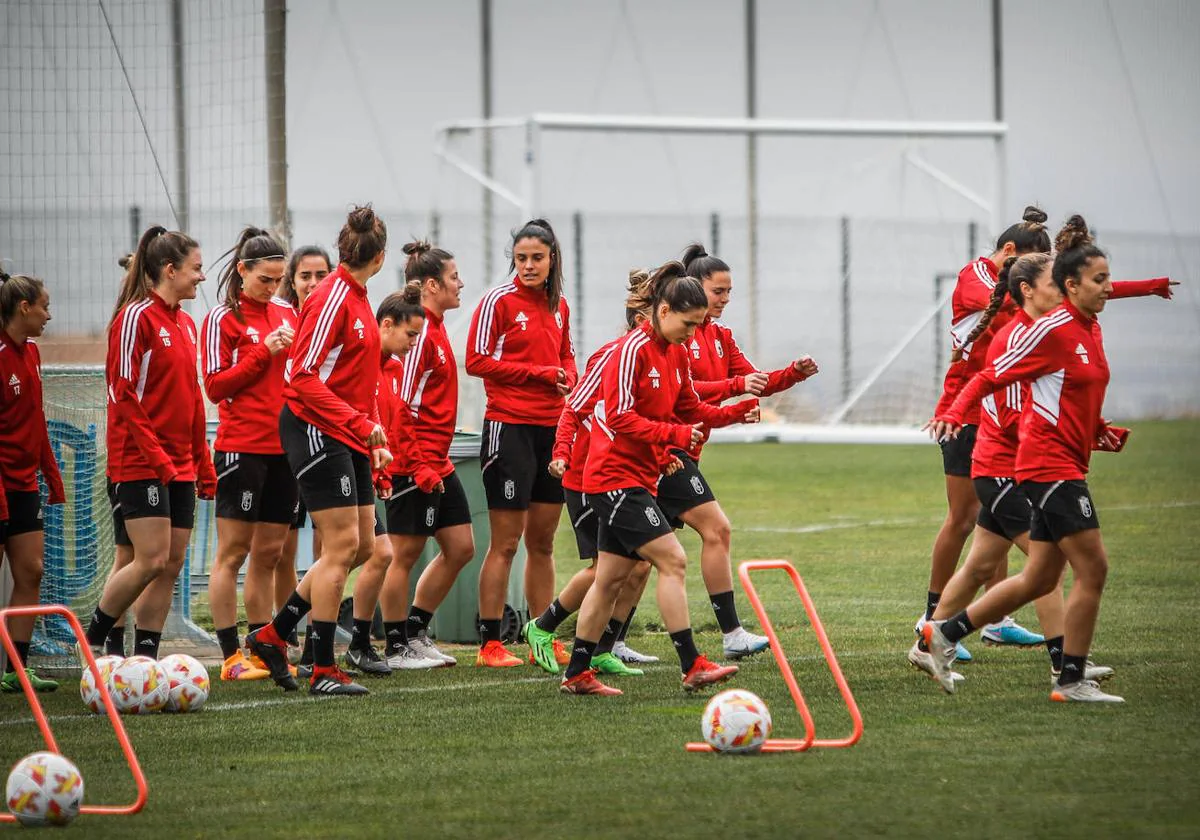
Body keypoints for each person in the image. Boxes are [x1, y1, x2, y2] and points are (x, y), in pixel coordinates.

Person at [913, 253, 1175, 687]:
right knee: (1073, 569)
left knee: (999, 570)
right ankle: (1067, 669)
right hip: (1017, 465)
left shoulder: (1076, 328)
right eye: (1056, 284)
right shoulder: (1023, 335)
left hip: (1035, 464)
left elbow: (1065, 393)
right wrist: (953, 411)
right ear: (1031, 290)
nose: (1103, 288)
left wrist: (1094, 429)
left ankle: (936, 637)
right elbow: (997, 390)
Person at [560, 262, 761, 696]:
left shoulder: (676, 353)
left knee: (610, 577)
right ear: (664, 310)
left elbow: (691, 409)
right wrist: (674, 435)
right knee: (672, 559)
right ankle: (692, 664)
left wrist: (733, 413)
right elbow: (618, 417)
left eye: (699, 325)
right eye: (689, 324)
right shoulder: (632, 349)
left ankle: (577, 674)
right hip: (612, 477)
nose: (693, 334)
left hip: (639, 477)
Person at [247, 205, 391, 697]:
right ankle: (323, 665)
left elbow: (353, 378)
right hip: (313, 426)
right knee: (342, 548)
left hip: (346, 433)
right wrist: (357, 422)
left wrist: (373, 434)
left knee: (366, 546)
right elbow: (302, 376)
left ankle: (273, 632)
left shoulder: (358, 297)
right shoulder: (332, 296)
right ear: (382, 255)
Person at [659, 244, 818, 659]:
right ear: (693, 289)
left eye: (729, 291)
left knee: (633, 562)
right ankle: (731, 634)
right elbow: (687, 392)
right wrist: (733, 391)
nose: (726, 299)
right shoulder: (676, 336)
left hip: (683, 452)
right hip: (663, 451)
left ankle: (602, 641)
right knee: (717, 530)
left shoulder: (721, 337)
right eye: (719, 291)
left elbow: (753, 380)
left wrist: (792, 375)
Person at [922, 206, 1054, 662]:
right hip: (964, 416)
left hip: (997, 416)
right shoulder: (974, 277)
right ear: (1012, 253)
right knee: (963, 518)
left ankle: (995, 621)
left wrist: (1144, 288)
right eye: (1036, 269)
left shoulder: (1013, 286)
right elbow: (1022, 304)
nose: (1041, 279)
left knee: (990, 521)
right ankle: (930, 620)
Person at [83, 227, 216, 660]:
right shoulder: (136, 317)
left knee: (171, 565)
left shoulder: (188, 324)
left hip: (181, 464)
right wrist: (158, 457)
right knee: (151, 559)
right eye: (196, 268)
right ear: (169, 269)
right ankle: (95, 640)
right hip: (140, 461)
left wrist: (203, 461)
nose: (201, 277)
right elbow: (122, 394)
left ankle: (144, 659)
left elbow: (193, 398)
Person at [524, 270, 661, 677]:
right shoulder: (612, 354)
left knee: (639, 565)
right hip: (588, 477)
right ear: (644, 320)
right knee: (607, 568)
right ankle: (543, 627)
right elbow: (576, 408)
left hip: (628, 475)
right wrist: (562, 453)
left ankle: (603, 646)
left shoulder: (659, 356)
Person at [466, 219, 577, 667]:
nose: (529, 266)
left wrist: (571, 372)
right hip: (508, 429)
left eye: (537, 258)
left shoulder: (560, 305)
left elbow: (565, 351)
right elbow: (476, 360)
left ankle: (540, 636)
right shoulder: (498, 301)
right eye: (521, 258)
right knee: (505, 543)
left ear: (552, 260)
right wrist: (538, 375)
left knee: (544, 543)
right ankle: (490, 643)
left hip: (552, 433)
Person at [200, 227, 299, 682]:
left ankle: (261, 646)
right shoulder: (222, 318)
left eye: (279, 280)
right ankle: (228, 656)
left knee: (271, 554)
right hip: (243, 448)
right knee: (233, 553)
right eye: (265, 279)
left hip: (286, 450)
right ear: (242, 272)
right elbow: (216, 385)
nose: (273, 288)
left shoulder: (286, 312)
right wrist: (263, 351)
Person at [375, 242, 474, 670]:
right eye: (454, 277)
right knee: (405, 555)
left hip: (437, 461)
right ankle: (395, 647)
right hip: (413, 464)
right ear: (432, 284)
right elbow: (401, 409)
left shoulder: (434, 330)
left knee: (461, 547)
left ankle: (415, 631)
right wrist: (417, 465)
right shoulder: (418, 337)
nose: (461, 284)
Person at [340, 282, 430, 674]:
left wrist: (380, 470)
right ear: (387, 324)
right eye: (410, 334)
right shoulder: (359, 363)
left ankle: (355, 642)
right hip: (335, 464)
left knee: (374, 553)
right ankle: (305, 638)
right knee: (347, 555)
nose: (413, 343)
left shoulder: (392, 369)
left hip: (365, 469)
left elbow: (383, 425)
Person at [0, 272, 64, 692]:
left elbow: (36, 420)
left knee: (32, 570)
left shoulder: (33, 354)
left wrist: (51, 477)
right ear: (24, 307)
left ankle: (15, 671)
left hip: (23, 484)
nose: (48, 314)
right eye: (44, 306)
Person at [276, 244, 331, 658]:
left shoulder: (335, 310)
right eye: (305, 276)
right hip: (289, 440)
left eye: (320, 275)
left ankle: (314, 633)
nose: (313, 283)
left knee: (331, 544)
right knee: (281, 549)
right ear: (291, 281)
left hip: (330, 437)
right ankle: (283, 635)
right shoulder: (280, 318)